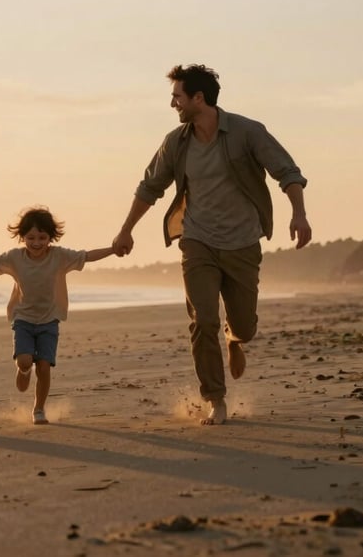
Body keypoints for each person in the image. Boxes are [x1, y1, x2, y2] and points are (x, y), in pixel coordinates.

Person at [112, 65, 312, 426]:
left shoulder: (247, 132)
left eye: (178, 96)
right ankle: (215, 399)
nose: (173, 103)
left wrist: (299, 214)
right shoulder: (177, 142)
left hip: (242, 243)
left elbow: (288, 171)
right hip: (197, 241)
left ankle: (235, 339)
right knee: (203, 321)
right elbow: (149, 187)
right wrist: (126, 230)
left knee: (245, 325)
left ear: (198, 99)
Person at [0, 206, 116, 425]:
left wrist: (113, 249)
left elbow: (86, 256)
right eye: (31, 237)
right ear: (22, 238)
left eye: (42, 237)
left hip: (49, 320)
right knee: (24, 360)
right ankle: (23, 371)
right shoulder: (15, 258)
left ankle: (38, 409)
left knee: (43, 366)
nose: (37, 243)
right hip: (23, 319)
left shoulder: (60, 256)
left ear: (51, 237)